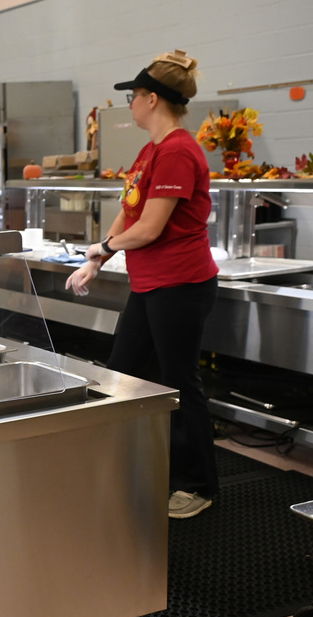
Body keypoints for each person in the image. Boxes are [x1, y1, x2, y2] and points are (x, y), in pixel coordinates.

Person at [65, 49, 219, 519]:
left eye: (132, 96)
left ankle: (197, 485)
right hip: (150, 283)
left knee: (178, 380)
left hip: (180, 284)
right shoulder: (150, 150)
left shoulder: (177, 151)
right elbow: (131, 211)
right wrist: (98, 256)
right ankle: (136, 465)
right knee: (125, 371)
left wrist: (107, 250)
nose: (128, 104)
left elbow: (151, 228)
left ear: (152, 99)